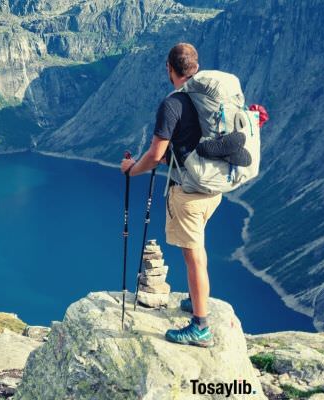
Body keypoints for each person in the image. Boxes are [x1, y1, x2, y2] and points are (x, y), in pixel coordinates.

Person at [120, 43, 221, 348]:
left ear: (169, 68)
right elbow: (187, 147)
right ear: (195, 66)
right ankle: (196, 299)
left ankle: (200, 327)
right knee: (198, 250)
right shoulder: (209, 97)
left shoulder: (173, 104)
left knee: (193, 258)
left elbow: (155, 154)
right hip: (213, 188)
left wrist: (131, 170)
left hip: (189, 194)